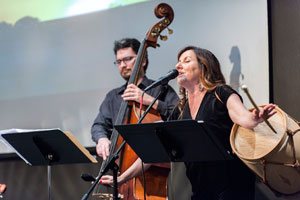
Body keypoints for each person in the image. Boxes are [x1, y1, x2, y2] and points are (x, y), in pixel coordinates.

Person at [168, 46, 276, 200]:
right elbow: (161, 139)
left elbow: (244, 117)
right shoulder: (181, 109)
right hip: (200, 189)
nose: (178, 66)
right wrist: (123, 177)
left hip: (231, 187)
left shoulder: (220, 92)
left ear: (203, 66)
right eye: (178, 62)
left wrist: (255, 118)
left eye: (186, 61)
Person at [91, 38, 179, 191]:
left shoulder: (161, 90)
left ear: (142, 60)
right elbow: (98, 125)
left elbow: (179, 114)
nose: (123, 65)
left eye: (127, 59)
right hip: (119, 171)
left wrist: (150, 100)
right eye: (118, 62)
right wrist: (102, 139)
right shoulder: (113, 97)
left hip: (152, 174)